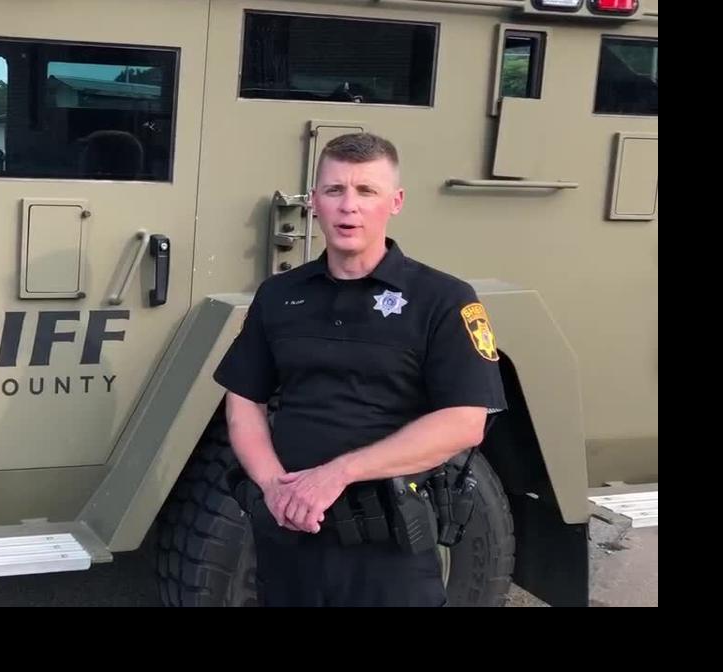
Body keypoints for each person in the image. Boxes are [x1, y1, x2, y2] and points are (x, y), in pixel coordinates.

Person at [212, 132, 507, 607]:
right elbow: (244, 397)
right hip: (289, 540)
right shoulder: (279, 295)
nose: (349, 206)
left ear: (396, 201)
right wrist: (272, 486)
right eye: (334, 190)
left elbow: (464, 422)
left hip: (389, 553)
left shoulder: (443, 300)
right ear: (314, 202)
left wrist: (336, 474)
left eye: (366, 191)